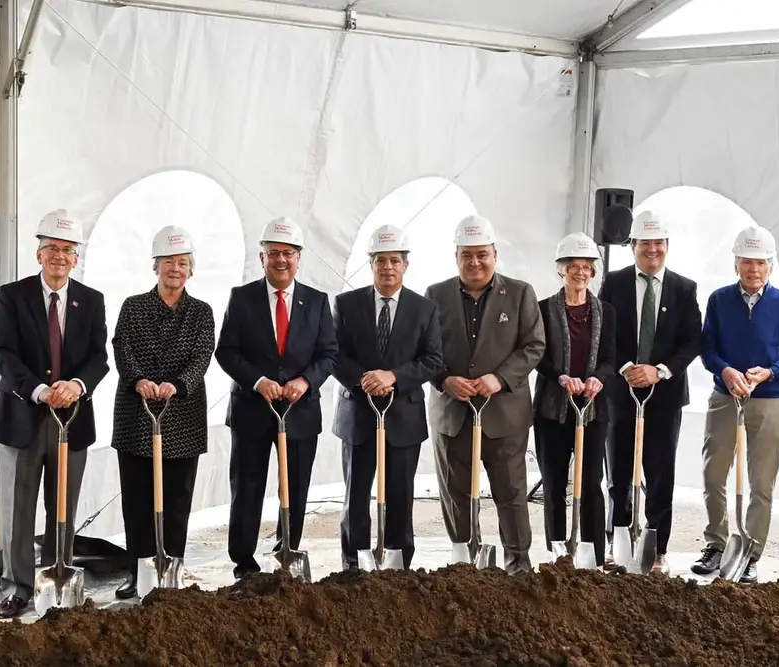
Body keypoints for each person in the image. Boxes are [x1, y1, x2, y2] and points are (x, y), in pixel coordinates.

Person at [0, 210, 110, 618]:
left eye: (67, 250)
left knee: (63, 508)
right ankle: (19, 587)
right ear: (39, 255)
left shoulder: (91, 301)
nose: (60, 257)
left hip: (71, 421)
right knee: (18, 511)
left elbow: (98, 357)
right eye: (52, 249)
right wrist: (39, 390)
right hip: (22, 418)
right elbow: (2, 353)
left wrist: (76, 386)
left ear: (76, 258)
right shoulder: (12, 296)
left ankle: (58, 577)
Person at [216, 217, 338, 578]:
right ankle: (243, 560)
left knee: (295, 487)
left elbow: (329, 354)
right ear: (261, 257)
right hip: (253, 410)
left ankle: (287, 549)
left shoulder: (316, 302)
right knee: (247, 486)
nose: (281, 260)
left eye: (288, 253)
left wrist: (306, 381)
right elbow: (227, 352)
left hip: (300, 412)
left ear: (299, 258)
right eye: (273, 254)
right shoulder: (242, 299)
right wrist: (257, 381)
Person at [692, 225, 779, 583]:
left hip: (770, 403)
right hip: (725, 398)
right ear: (736, 264)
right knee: (713, 474)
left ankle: (750, 552)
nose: (753, 270)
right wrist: (726, 371)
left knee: (761, 483)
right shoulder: (718, 300)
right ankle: (716, 544)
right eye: (747, 262)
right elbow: (707, 349)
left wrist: (770, 373)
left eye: (760, 263)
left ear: (770, 267)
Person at [426, 215, 545, 574]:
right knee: (456, 491)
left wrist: (501, 378)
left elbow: (534, 345)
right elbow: (425, 350)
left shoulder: (521, 293)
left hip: (504, 414)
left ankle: (518, 564)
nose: (475, 262)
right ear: (456, 257)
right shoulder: (436, 295)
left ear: (495, 254)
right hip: (453, 413)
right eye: (467, 255)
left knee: (510, 492)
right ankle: (463, 557)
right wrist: (445, 379)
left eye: (482, 254)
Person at [110, 227, 217, 597]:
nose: (176, 269)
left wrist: (178, 384)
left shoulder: (201, 312)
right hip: (137, 416)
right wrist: (139, 379)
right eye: (169, 262)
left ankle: (173, 569)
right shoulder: (133, 306)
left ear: (191, 270)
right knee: (137, 500)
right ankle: (136, 571)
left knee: (176, 501)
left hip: (183, 417)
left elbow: (203, 355)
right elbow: (122, 349)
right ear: (155, 266)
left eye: (182, 263)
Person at [331, 224, 445, 570]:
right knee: (356, 494)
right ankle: (354, 561)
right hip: (358, 416)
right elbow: (334, 354)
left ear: (406, 265)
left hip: (403, 418)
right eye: (381, 261)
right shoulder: (346, 304)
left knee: (400, 494)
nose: (388, 268)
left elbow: (433, 361)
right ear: (371, 264)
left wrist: (393, 377)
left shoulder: (424, 308)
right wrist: (364, 379)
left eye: (395, 260)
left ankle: (398, 561)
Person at [599, 210, 701, 574]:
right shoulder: (613, 283)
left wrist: (658, 371)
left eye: (659, 243)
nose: (652, 250)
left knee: (660, 474)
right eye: (645, 243)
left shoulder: (684, 288)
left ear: (667, 246)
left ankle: (657, 549)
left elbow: (692, 340)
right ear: (633, 247)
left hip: (666, 395)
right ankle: (618, 542)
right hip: (621, 392)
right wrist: (628, 368)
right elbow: (604, 331)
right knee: (619, 475)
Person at [534, 233, 615, 561]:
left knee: (590, 484)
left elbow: (610, 357)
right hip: (552, 410)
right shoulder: (542, 309)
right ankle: (558, 553)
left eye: (586, 266)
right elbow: (536, 354)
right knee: (553, 484)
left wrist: (597, 378)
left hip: (593, 411)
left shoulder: (606, 312)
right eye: (572, 266)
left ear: (594, 272)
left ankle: (592, 554)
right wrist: (560, 377)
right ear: (561, 269)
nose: (579, 272)